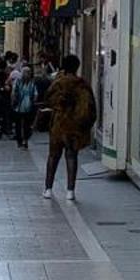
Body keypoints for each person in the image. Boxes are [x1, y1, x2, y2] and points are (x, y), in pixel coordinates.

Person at [41, 54, 96, 201]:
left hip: (59, 123)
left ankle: (48, 188)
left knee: (53, 156)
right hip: (74, 125)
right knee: (71, 156)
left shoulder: (59, 82)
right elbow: (90, 106)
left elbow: (48, 98)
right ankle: (70, 190)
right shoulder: (82, 84)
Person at [11, 61, 39, 152]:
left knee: (27, 125)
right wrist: (14, 101)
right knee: (18, 125)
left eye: (29, 73)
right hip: (19, 106)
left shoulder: (32, 83)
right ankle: (19, 141)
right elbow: (14, 92)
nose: (27, 74)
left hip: (28, 107)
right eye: (26, 73)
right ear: (22, 74)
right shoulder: (18, 82)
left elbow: (35, 93)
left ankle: (25, 140)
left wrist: (34, 100)